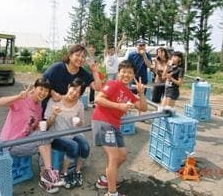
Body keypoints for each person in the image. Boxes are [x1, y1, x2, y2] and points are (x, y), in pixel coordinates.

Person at [0, 77, 63, 194]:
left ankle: (46, 177)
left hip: (24, 141)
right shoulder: (22, 99)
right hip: (10, 144)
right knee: (43, 139)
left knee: (45, 137)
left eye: (46, 91)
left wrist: (53, 115)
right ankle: (48, 174)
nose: (43, 93)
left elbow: (38, 128)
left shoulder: (38, 106)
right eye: (41, 89)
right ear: (34, 88)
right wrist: (18, 96)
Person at [91, 60, 148, 196]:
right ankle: (112, 193)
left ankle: (106, 179)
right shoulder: (113, 84)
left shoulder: (127, 92)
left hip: (114, 125)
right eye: (123, 72)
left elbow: (143, 108)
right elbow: (98, 99)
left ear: (133, 75)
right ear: (118, 73)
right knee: (114, 157)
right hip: (103, 122)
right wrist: (119, 106)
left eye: (130, 72)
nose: (126, 75)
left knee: (122, 156)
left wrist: (141, 93)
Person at [45, 78, 90, 189]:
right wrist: (54, 115)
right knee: (73, 146)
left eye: (78, 92)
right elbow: (47, 125)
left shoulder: (79, 104)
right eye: (74, 89)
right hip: (56, 135)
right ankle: (64, 173)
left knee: (85, 146)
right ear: (69, 86)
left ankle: (77, 171)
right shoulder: (55, 100)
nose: (75, 93)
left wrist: (79, 122)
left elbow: (81, 122)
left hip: (72, 133)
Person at [43, 44, 102, 111]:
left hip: (69, 111)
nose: (80, 58)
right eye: (77, 55)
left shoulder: (83, 74)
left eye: (83, 57)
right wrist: (52, 93)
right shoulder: (57, 68)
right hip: (50, 107)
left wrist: (94, 71)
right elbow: (42, 82)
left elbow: (98, 88)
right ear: (70, 56)